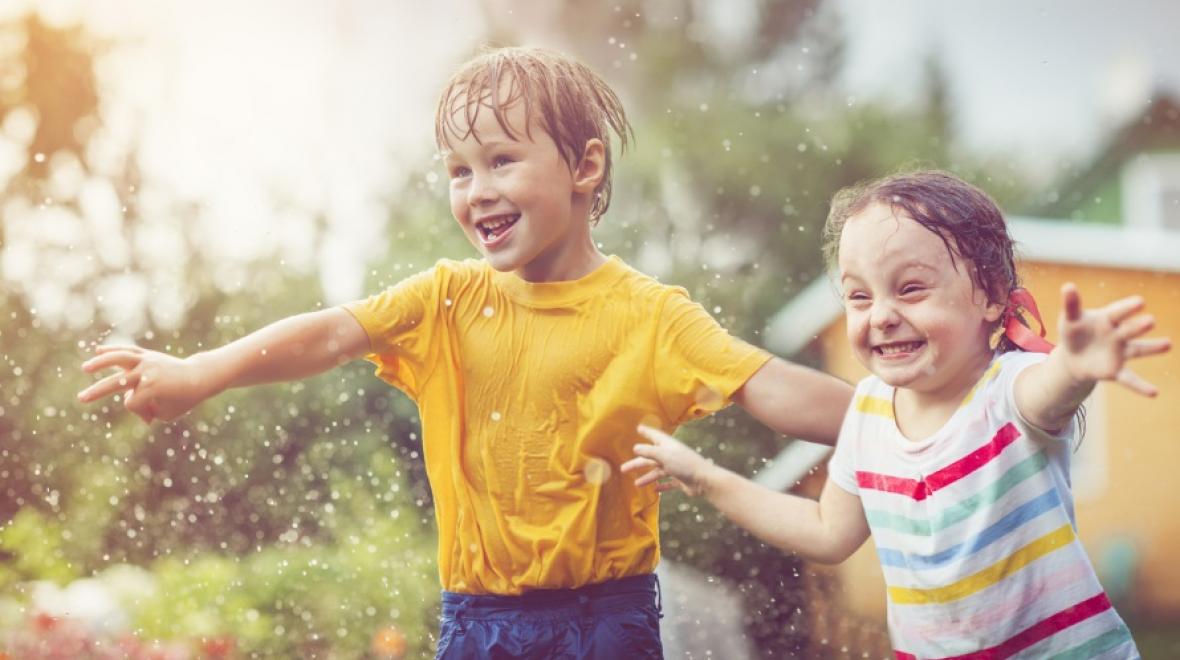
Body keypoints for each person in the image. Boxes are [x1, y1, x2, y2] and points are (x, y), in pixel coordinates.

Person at [77, 46, 853, 659]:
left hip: (606, 622)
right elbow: (328, 333)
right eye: (458, 171)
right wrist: (199, 372)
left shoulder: (650, 316)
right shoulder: (446, 299)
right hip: (479, 624)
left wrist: (917, 417)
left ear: (585, 168)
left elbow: (767, 387)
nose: (476, 190)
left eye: (502, 161)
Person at [624, 171, 1170, 658]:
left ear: (992, 296)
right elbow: (826, 531)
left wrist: (1075, 366)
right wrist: (707, 479)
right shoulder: (867, 415)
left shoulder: (1006, 392)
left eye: (910, 289)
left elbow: (1048, 391)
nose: (882, 316)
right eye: (859, 297)